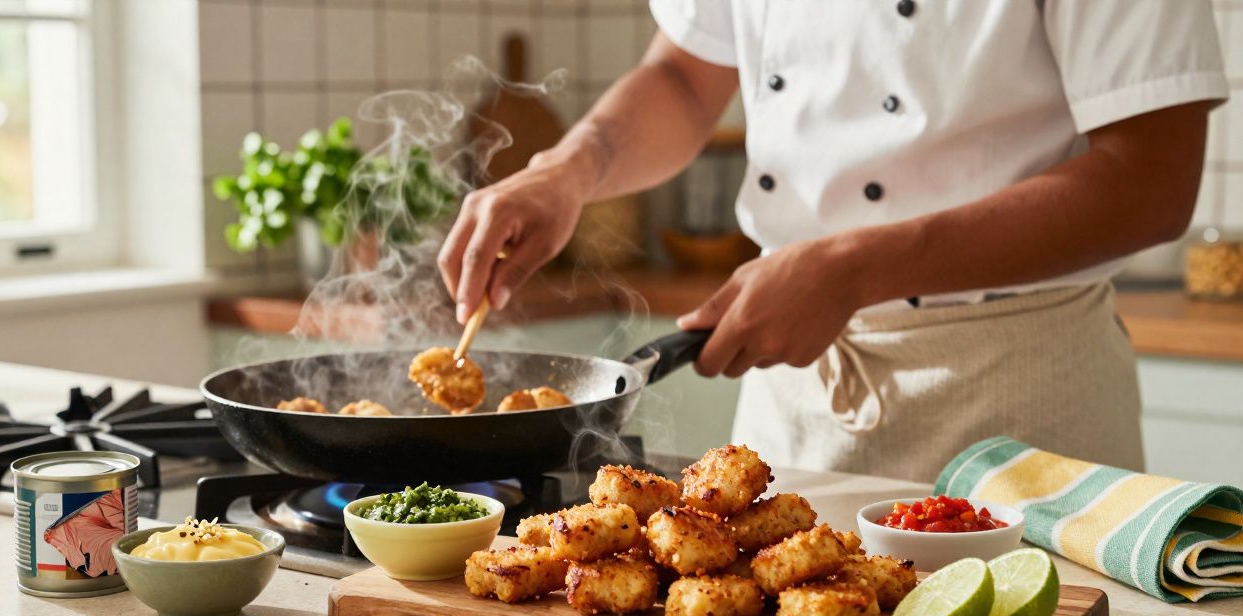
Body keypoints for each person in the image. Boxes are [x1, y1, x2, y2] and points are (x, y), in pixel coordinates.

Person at [437, 1, 1229, 482]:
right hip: (796, 402)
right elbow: (683, 77)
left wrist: (852, 268)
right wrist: (570, 167)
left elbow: (1150, 182)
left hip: (1020, 403)